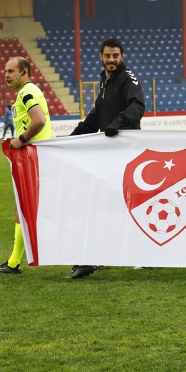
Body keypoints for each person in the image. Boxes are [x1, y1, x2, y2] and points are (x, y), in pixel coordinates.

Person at [68, 37, 145, 279]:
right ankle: (100, 255)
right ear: (101, 56)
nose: (111, 60)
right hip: (108, 154)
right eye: (107, 56)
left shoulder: (128, 78)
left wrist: (119, 122)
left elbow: (137, 106)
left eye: (115, 56)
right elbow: (96, 115)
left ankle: (145, 254)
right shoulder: (105, 81)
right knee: (105, 204)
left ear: (122, 56)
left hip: (125, 152)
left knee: (126, 205)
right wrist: (74, 136)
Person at [0, 57, 54, 274]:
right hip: (39, 157)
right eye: (5, 71)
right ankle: (13, 262)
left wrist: (22, 139)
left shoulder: (27, 93)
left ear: (24, 72)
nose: (6, 75)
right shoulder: (30, 91)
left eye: (10, 71)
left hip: (37, 158)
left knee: (40, 210)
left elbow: (39, 121)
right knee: (21, 209)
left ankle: (82, 258)